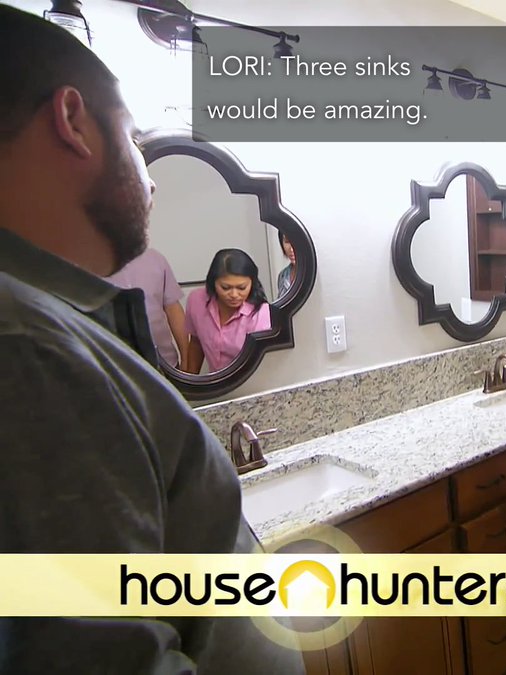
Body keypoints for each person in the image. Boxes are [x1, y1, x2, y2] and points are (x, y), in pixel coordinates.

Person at [0, 6, 304, 673]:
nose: (151, 172)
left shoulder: (51, 322)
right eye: (133, 138)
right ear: (72, 119)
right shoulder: (28, 349)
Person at [183, 248, 272, 374]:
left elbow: (264, 364)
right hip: (214, 381)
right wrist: (191, 381)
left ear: (252, 283)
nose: (234, 295)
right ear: (213, 282)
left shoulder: (261, 313)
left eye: (242, 288)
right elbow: (196, 343)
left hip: (250, 380)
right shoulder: (197, 300)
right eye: (225, 288)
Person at [105, 247, 189, 370]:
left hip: (165, 363)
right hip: (116, 367)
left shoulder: (156, 258)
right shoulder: (92, 264)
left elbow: (173, 309)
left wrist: (186, 360)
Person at [276, 231, 296, 300]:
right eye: (287, 241)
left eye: (296, 242)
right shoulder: (282, 275)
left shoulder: (311, 274)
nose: (291, 249)